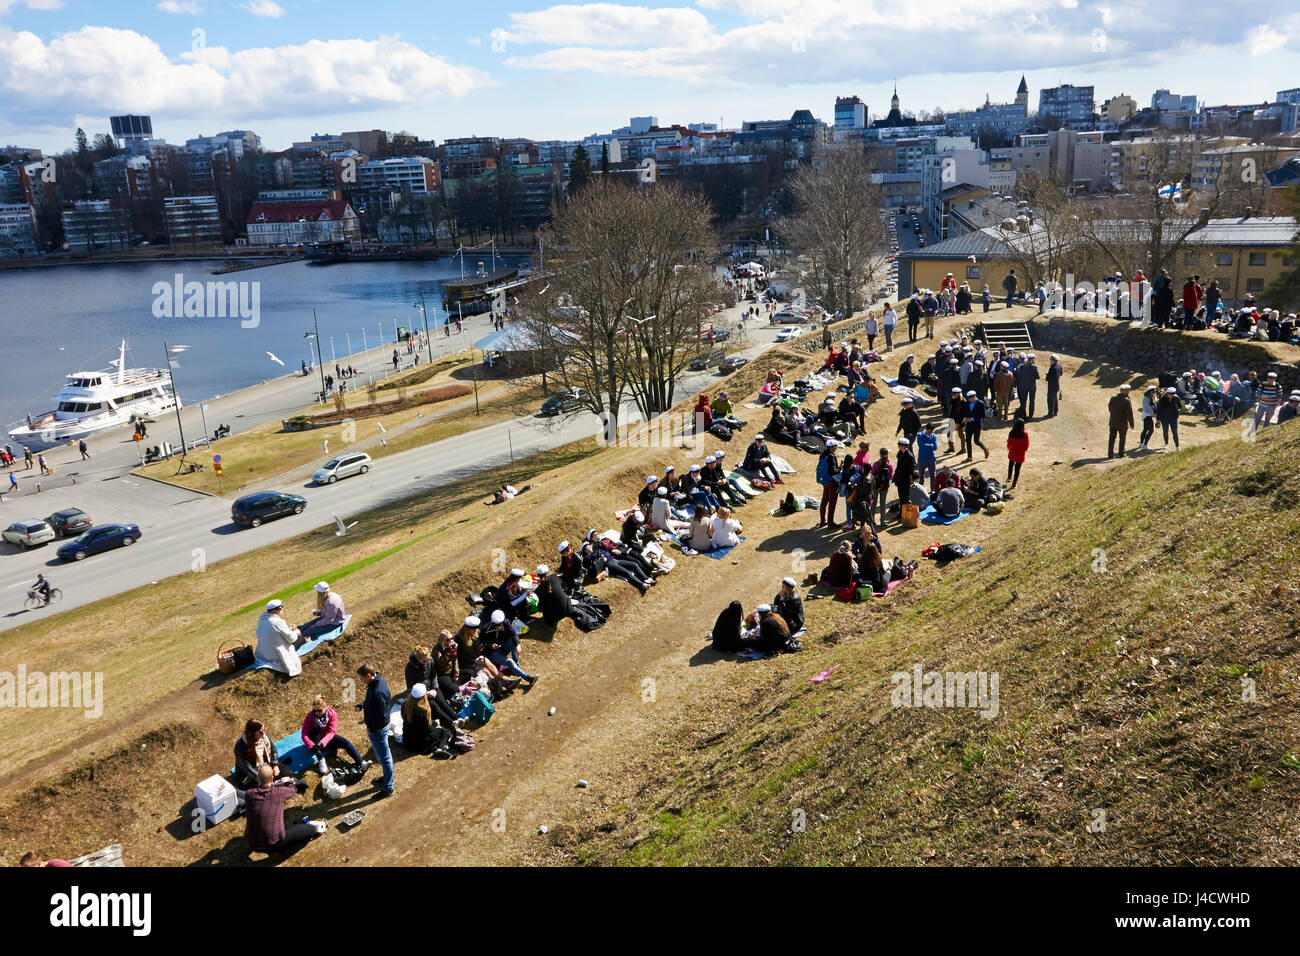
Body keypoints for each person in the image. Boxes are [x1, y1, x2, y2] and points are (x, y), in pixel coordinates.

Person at [243, 764, 324, 856]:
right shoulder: (278, 793)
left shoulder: (249, 794)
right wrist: (287, 782)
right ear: (272, 777)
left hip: (252, 843)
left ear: (257, 778)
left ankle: (270, 849)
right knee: (310, 829)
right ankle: (276, 851)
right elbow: (293, 789)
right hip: (274, 844)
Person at [301, 695, 368, 775]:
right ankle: (321, 758)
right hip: (314, 739)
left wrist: (322, 743)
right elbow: (304, 734)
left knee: (345, 742)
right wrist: (312, 746)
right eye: (314, 710)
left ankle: (361, 762)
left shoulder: (332, 714)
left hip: (326, 738)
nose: (316, 713)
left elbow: (331, 732)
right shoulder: (310, 716)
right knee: (315, 732)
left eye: (319, 710)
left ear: (325, 707)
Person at [356, 663, 394, 798]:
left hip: (378, 729)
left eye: (362, 679)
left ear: (368, 675)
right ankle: (386, 779)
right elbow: (373, 702)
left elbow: (380, 714)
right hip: (380, 727)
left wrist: (372, 729)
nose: (362, 682)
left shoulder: (377, 692)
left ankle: (388, 787)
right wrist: (363, 704)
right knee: (384, 756)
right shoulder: (377, 682)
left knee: (385, 758)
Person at [482, 608, 540, 686]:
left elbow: (513, 634)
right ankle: (528, 678)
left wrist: (518, 645)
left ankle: (516, 665)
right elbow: (483, 645)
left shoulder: (506, 622)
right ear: (492, 622)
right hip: (493, 653)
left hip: (503, 647)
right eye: (496, 624)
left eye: (499, 624)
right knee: (509, 662)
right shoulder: (485, 630)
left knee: (514, 642)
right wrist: (491, 646)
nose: (498, 626)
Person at [401, 684, 454, 758]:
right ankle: (439, 749)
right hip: (418, 745)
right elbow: (428, 730)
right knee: (445, 732)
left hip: (407, 741)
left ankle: (439, 748)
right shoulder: (422, 711)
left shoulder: (405, 704)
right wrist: (435, 723)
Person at [254, 600, 303, 677]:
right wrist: (296, 632)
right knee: (301, 637)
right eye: (281, 608)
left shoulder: (261, 621)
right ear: (278, 610)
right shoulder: (278, 622)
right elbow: (292, 639)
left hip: (265, 653)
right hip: (276, 654)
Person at [816, 439, 842, 528]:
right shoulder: (831, 456)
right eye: (835, 446)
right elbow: (834, 471)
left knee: (824, 500)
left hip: (824, 481)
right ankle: (830, 523)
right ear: (832, 447)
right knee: (832, 502)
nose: (836, 448)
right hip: (832, 482)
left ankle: (822, 521)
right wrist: (841, 467)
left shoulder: (823, 454)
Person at [1107, 384, 1135, 460]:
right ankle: (1121, 453)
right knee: (1122, 438)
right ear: (1123, 391)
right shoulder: (1127, 400)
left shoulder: (1113, 398)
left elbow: (1109, 408)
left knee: (1112, 438)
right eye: (1127, 390)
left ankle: (1110, 454)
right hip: (1122, 423)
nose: (1128, 392)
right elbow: (1129, 413)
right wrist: (1132, 424)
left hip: (1113, 422)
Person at [962, 390, 990, 461]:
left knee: (976, 441)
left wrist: (973, 419)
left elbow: (982, 415)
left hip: (977, 425)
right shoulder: (968, 403)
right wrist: (966, 417)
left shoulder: (980, 403)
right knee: (968, 440)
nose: (969, 399)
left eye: (970, 398)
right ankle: (969, 457)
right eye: (968, 398)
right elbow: (965, 411)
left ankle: (985, 449)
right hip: (969, 425)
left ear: (974, 396)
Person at [870, 448, 893, 527]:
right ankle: (882, 522)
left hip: (876, 486)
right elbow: (890, 477)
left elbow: (872, 475)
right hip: (884, 487)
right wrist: (886, 484)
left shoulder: (876, 464)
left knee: (873, 503)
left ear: (880, 454)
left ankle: (872, 521)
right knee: (883, 504)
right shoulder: (889, 465)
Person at [1156, 386, 1182, 451]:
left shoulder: (1176, 398)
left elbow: (1180, 406)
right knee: (1165, 431)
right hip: (1164, 418)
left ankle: (1177, 446)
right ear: (1167, 393)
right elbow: (1158, 409)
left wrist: (1178, 411)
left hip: (1173, 418)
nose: (1173, 395)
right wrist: (1158, 419)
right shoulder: (1162, 399)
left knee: (1175, 432)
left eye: (1173, 394)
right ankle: (1166, 444)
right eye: (1171, 394)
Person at [1006, 418, 1029, 488]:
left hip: (1013, 451)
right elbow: (1026, 444)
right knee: (1017, 468)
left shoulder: (1011, 432)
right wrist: (1025, 449)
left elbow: (1009, 442)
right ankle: (1014, 484)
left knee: (1011, 464)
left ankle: (1009, 477)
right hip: (1020, 452)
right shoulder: (1025, 434)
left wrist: (1009, 448)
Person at [1015, 355, 1040, 419]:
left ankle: (1024, 415)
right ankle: (1030, 415)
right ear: (1033, 359)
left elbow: (1020, 376)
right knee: (1032, 401)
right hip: (1032, 386)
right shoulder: (1034, 367)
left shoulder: (1022, 367)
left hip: (1024, 386)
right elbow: (1038, 377)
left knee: (1023, 402)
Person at [1138, 385, 1157, 450]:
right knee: (1151, 430)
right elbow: (1148, 408)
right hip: (1147, 416)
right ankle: (1145, 444)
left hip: (1148, 415)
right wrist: (1154, 415)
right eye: (1153, 392)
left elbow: (1154, 405)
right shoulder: (1146, 398)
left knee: (1145, 429)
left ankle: (1141, 443)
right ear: (1149, 392)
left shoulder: (1152, 397)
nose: (1154, 393)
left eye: (1154, 392)